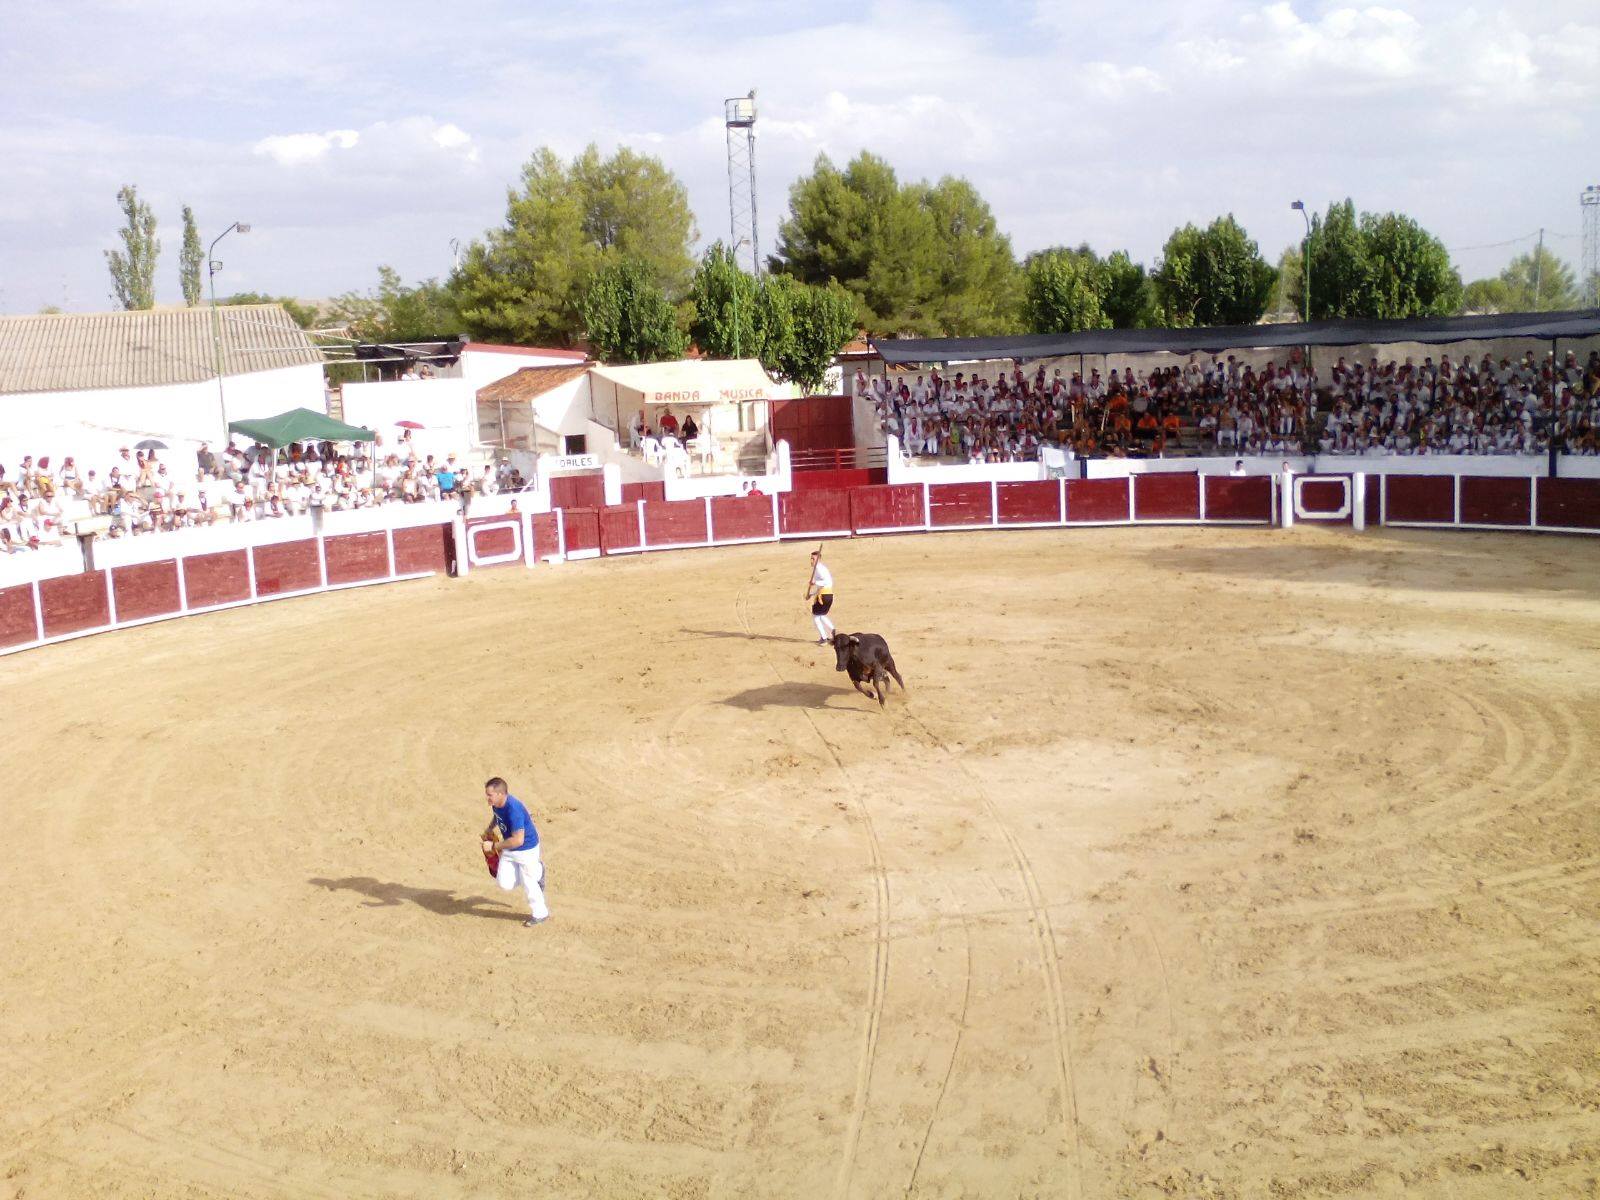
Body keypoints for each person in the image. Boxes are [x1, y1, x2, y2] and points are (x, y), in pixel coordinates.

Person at [481, 776, 549, 927]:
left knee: (529, 883)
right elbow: (497, 815)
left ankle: (540, 913)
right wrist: (490, 828)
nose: (487, 798)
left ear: (500, 794)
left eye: (489, 795)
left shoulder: (514, 809)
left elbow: (519, 840)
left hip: (526, 849)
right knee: (504, 883)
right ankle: (535, 871)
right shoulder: (497, 803)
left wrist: (493, 846)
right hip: (510, 848)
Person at [804, 548, 835, 645]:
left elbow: (826, 582)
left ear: (818, 559)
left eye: (813, 559)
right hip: (828, 595)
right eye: (811, 558)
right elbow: (820, 586)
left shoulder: (819, 569)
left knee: (816, 617)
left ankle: (824, 638)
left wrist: (815, 582)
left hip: (824, 596)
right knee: (821, 615)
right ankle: (832, 629)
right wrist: (811, 594)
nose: (811, 561)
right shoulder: (820, 568)